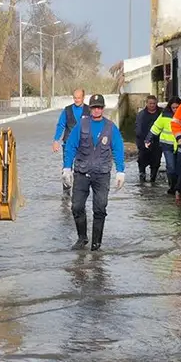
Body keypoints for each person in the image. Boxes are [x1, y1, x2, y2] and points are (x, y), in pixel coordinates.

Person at [63, 94, 125, 250]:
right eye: (94, 107)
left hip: (102, 174)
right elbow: (70, 147)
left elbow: (118, 149)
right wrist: (66, 167)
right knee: (76, 207)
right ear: (90, 108)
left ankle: (96, 243)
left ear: (103, 109)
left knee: (100, 208)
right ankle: (82, 238)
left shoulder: (111, 127)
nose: (97, 110)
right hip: (82, 172)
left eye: (99, 107)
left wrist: (120, 171)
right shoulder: (81, 125)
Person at [145, 96, 181, 195]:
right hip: (167, 146)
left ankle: (178, 187)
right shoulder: (165, 115)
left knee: (179, 168)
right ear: (170, 107)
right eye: (173, 107)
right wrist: (148, 139)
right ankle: (173, 187)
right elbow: (156, 127)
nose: (175, 110)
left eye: (177, 107)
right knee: (171, 167)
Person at [134, 95, 162, 183]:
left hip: (157, 143)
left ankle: (153, 181)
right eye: (150, 103)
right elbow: (138, 129)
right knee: (142, 163)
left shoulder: (161, 113)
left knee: (156, 164)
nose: (152, 105)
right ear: (146, 103)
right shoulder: (141, 114)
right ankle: (142, 182)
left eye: (154, 103)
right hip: (143, 143)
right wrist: (141, 143)